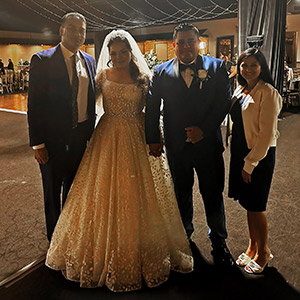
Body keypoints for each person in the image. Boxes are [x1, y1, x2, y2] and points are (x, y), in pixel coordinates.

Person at [45, 29, 193, 292]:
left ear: (130, 52)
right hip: (107, 136)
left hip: (136, 137)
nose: (118, 57)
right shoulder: (102, 76)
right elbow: (84, 103)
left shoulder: (144, 78)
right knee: (102, 191)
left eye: (123, 52)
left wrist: (156, 136)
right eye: (113, 53)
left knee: (138, 193)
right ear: (109, 56)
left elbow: (152, 112)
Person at [145, 23, 233, 266]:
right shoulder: (161, 71)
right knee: (180, 195)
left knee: (212, 195)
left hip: (208, 147)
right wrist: (152, 139)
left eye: (190, 41)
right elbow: (152, 108)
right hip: (177, 147)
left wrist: (203, 130)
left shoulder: (216, 67)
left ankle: (219, 240)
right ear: (174, 45)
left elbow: (223, 103)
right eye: (181, 42)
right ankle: (184, 237)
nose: (185, 46)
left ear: (198, 43)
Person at [27, 12, 96, 241]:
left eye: (82, 30)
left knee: (75, 190)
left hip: (80, 139)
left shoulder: (90, 61)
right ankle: (55, 240)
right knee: (52, 192)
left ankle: (71, 234)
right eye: (73, 28)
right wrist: (38, 144)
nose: (78, 34)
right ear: (62, 30)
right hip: (52, 142)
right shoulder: (43, 60)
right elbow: (35, 105)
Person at [228, 48, 282, 274]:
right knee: (248, 205)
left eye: (253, 65)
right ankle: (252, 246)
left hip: (257, 156)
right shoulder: (242, 89)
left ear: (262, 67)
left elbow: (267, 135)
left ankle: (264, 252)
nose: (248, 69)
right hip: (241, 152)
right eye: (244, 65)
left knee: (257, 206)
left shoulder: (267, 92)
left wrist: (250, 163)